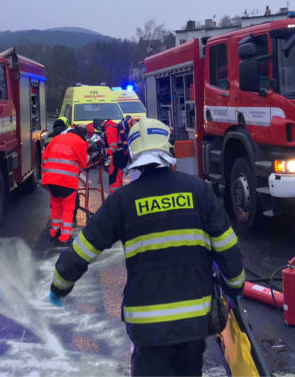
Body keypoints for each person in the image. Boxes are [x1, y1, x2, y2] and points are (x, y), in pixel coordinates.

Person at [49, 119, 245, 376]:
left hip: (147, 327)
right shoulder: (198, 191)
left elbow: (84, 249)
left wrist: (59, 285)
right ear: (167, 147)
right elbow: (227, 247)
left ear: (132, 153)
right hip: (194, 322)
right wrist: (235, 287)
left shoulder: (123, 201)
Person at [42, 125, 89, 243]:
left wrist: (47, 174)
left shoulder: (58, 138)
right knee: (68, 208)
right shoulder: (81, 142)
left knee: (56, 205)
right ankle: (65, 237)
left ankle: (54, 232)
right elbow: (83, 163)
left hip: (51, 180)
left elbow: (44, 158)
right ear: (83, 135)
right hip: (67, 181)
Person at [93, 118, 126, 194]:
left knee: (114, 177)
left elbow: (113, 146)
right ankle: (119, 194)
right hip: (121, 154)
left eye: (97, 127)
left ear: (100, 124)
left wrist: (106, 154)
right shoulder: (112, 125)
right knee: (118, 176)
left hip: (118, 156)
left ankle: (114, 196)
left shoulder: (109, 129)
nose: (98, 129)